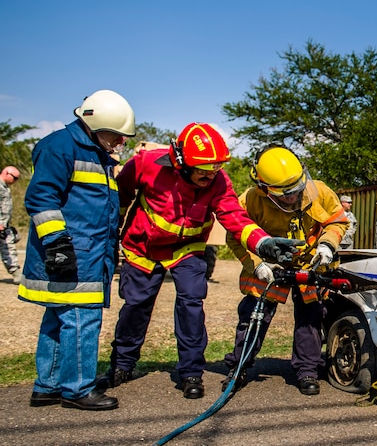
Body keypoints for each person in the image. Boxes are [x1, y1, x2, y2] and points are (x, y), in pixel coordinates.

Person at [109, 123, 300, 399]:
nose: (211, 175)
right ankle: (122, 365)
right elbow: (121, 196)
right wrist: (113, 227)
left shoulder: (219, 181)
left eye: (216, 167)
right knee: (136, 306)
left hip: (187, 248)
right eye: (204, 169)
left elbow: (235, 217)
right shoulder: (146, 164)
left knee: (191, 306)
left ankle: (190, 373)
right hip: (143, 247)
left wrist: (264, 243)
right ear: (181, 163)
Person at [19, 90, 135, 411]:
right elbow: (41, 199)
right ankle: (78, 389)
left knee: (58, 320)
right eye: (117, 136)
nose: (120, 143)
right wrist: (57, 243)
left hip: (82, 252)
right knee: (82, 321)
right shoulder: (60, 147)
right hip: (75, 253)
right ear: (96, 125)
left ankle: (48, 386)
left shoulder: (94, 152)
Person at [222, 147, 348, 396]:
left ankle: (308, 370)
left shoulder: (319, 190)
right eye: (286, 194)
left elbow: (337, 221)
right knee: (254, 316)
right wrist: (257, 265)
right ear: (265, 189)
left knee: (311, 318)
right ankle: (239, 368)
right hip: (269, 266)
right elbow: (236, 236)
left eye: (297, 190)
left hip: (310, 263)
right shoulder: (250, 200)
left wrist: (327, 245)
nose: (294, 197)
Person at [0, 166, 22, 283]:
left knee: (8, 247)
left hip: (4, 226)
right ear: (6, 173)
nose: (15, 181)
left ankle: (16, 273)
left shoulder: (5, 187)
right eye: (15, 178)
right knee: (7, 247)